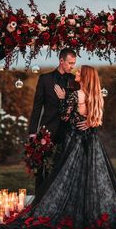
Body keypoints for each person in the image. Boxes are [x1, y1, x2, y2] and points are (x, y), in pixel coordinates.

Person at [0, 65, 116, 229]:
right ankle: (91, 211)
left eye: (79, 72)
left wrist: (62, 98)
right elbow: (96, 120)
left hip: (74, 140)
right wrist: (90, 122)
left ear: (84, 77)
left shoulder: (76, 95)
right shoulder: (96, 97)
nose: (75, 73)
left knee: (67, 177)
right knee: (92, 177)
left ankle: (70, 210)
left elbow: (65, 117)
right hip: (92, 142)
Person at [28, 48, 79, 198]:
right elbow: (37, 107)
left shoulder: (75, 79)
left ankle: (63, 199)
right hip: (47, 130)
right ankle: (40, 199)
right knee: (43, 169)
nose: (72, 66)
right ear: (61, 61)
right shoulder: (45, 79)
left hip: (68, 130)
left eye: (74, 63)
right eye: (70, 63)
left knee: (65, 167)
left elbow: (77, 105)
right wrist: (32, 132)